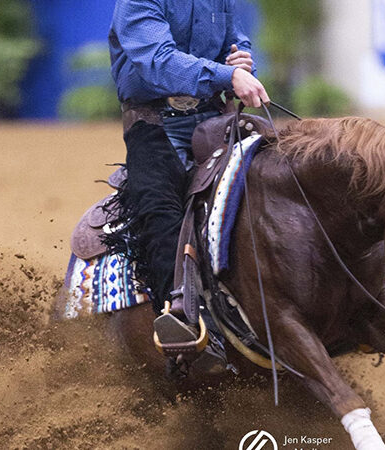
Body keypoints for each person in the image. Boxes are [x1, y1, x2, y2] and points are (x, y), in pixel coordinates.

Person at [108, 0, 270, 352]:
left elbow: (236, 39)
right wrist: (229, 75)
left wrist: (240, 58)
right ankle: (182, 319)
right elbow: (157, 61)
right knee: (159, 209)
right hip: (153, 121)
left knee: (275, 180)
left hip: (213, 114)